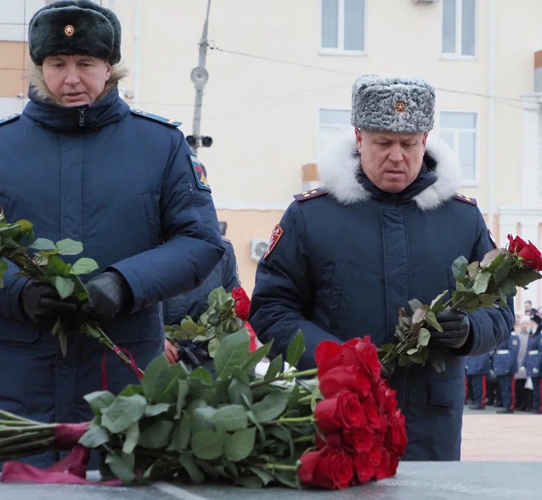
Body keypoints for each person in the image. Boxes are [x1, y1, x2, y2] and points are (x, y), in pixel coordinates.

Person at [0, 0, 224, 466]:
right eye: (58, 64)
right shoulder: (4, 146)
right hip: (20, 391)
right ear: (40, 68)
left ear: (109, 67)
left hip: (127, 382)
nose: (72, 78)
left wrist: (124, 283)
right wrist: (17, 292)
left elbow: (200, 242)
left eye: (85, 63)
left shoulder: (159, 146)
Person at [249, 75, 514, 461]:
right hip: (339, 414)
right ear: (358, 139)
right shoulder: (311, 217)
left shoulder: (461, 219)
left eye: (408, 144)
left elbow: (501, 309)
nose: (396, 156)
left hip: (430, 426)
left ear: (425, 141)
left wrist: (469, 331)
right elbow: (272, 311)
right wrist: (337, 359)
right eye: (382, 143)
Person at [163, 237, 241, 368]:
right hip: (156, 364)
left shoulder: (222, 250)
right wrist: (155, 341)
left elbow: (235, 307)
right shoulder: (146, 247)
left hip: (208, 365)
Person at [523, 314, 542, 414]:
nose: (531, 324)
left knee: (539, 388)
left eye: (532, 322)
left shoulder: (541, 334)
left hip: (538, 365)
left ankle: (539, 407)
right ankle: (535, 406)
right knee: (534, 388)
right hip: (531, 362)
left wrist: (537, 365)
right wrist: (525, 364)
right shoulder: (532, 334)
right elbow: (528, 350)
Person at [493, 331, 520, 413]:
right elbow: (496, 352)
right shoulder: (501, 336)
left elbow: (513, 354)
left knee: (508, 388)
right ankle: (505, 405)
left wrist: (508, 366)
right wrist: (496, 365)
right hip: (500, 364)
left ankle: (510, 406)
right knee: (503, 388)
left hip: (506, 365)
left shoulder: (513, 336)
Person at [514, 316, 533, 412]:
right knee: (519, 386)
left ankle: (527, 404)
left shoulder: (531, 335)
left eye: (527, 323)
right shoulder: (518, 335)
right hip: (518, 364)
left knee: (528, 387)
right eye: (523, 324)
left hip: (528, 364)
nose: (525, 326)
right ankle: (520, 403)